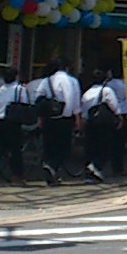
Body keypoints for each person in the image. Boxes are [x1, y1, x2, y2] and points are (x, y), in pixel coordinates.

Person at [38, 57, 82, 186]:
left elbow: (39, 99)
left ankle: (50, 168)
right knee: (64, 148)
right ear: (67, 68)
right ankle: (52, 166)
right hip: (64, 119)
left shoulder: (46, 81)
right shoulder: (72, 81)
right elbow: (74, 101)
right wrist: (77, 118)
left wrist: (40, 118)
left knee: (49, 145)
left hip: (48, 118)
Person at [80, 71, 124, 183]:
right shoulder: (107, 90)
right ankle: (96, 166)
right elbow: (114, 105)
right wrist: (119, 117)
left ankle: (91, 172)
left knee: (92, 147)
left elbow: (84, 112)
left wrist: (82, 124)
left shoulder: (87, 93)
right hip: (104, 123)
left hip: (91, 123)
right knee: (106, 146)